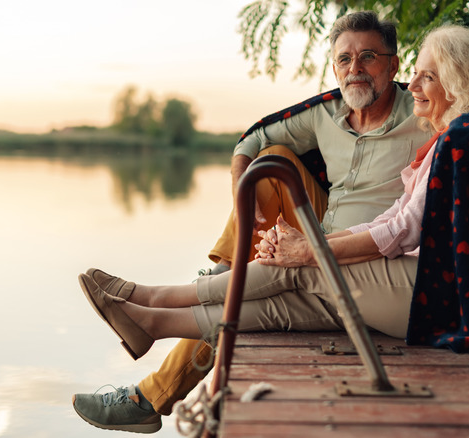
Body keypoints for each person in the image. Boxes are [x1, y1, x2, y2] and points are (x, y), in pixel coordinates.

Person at [72, 11, 433, 433]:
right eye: (344, 59)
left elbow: (410, 218)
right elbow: (253, 139)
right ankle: (228, 271)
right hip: (320, 229)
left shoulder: (425, 114)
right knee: (270, 161)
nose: (355, 69)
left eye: (368, 56)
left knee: (248, 288)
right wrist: (239, 194)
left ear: (393, 65)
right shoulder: (324, 113)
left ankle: (154, 386)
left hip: (372, 256)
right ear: (333, 67)